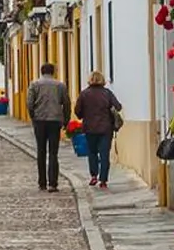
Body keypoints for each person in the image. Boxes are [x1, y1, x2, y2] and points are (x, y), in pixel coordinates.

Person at [27, 63, 71, 192]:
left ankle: (42, 182)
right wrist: (66, 120)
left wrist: (33, 116)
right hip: (55, 120)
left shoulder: (34, 85)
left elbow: (29, 103)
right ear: (53, 72)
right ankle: (53, 183)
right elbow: (66, 104)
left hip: (39, 120)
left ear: (41, 72)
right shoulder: (60, 86)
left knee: (41, 151)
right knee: (53, 152)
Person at [74, 71, 122, 190]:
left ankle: (94, 175)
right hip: (106, 128)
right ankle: (103, 180)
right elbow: (118, 106)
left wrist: (83, 115)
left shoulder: (84, 94)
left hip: (90, 128)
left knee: (92, 152)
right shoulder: (107, 93)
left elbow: (77, 111)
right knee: (104, 154)